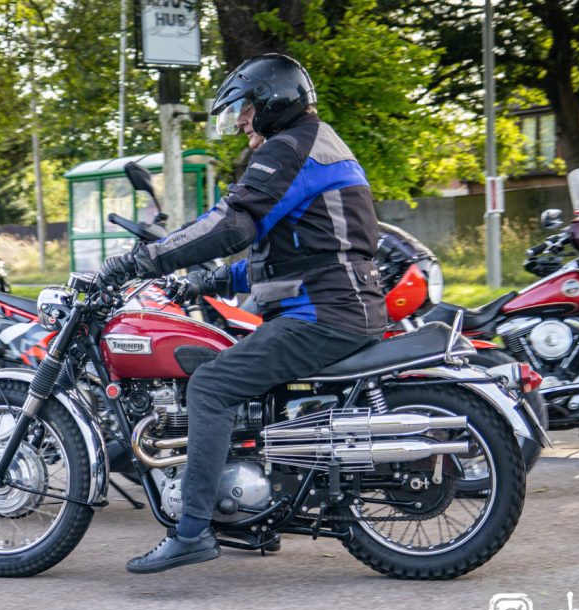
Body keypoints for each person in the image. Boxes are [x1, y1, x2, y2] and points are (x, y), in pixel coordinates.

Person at [100, 53, 388, 574]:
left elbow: (231, 224)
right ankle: (255, 519)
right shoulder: (311, 145)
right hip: (337, 302)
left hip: (323, 313)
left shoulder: (290, 148)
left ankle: (191, 531)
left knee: (211, 385)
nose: (239, 121)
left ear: (273, 103)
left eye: (245, 109)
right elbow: (290, 251)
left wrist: (138, 260)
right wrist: (206, 280)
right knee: (236, 375)